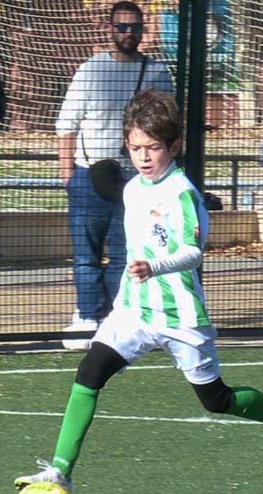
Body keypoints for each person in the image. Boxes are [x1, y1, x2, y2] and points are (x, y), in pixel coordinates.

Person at [16, 90, 263, 491]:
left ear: (174, 147)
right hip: (134, 310)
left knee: (216, 399)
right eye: (135, 147)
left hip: (180, 315)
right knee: (90, 371)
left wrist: (153, 266)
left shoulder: (182, 193)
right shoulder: (133, 189)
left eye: (153, 148)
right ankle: (61, 471)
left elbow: (194, 253)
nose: (143, 157)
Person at [56, 1, 174, 348]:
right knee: (85, 254)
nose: (128, 33)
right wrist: (67, 173)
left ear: (143, 30)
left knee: (127, 254)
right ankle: (86, 315)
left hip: (136, 179)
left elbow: (168, 125)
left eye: (134, 27)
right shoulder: (90, 70)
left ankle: (113, 316)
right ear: (109, 29)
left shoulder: (157, 73)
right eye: (121, 27)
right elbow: (66, 124)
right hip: (88, 174)